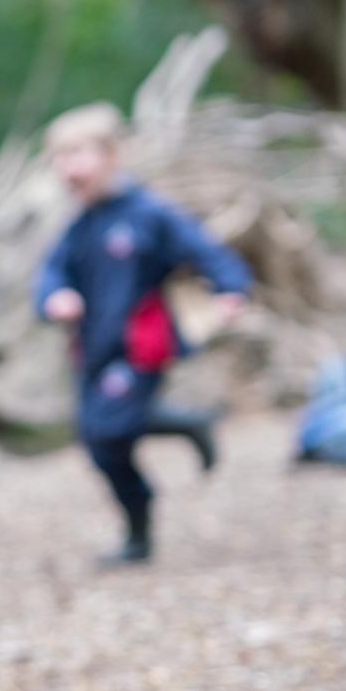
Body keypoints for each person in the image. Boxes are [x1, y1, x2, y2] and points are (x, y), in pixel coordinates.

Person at [33, 102, 251, 566]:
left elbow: (204, 250)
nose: (67, 167)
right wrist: (55, 296)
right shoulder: (77, 226)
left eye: (77, 154)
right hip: (93, 351)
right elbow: (51, 273)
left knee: (108, 428)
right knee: (98, 442)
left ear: (112, 155)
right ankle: (140, 532)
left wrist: (231, 288)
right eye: (59, 157)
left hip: (139, 348)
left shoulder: (148, 214)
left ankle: (181, 440)